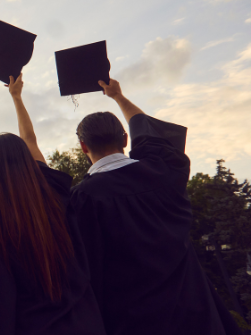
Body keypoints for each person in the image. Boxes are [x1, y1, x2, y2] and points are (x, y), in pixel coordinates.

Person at [71, 79, 242, 335]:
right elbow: (148, 131)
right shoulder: (166, 170)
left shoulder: (83, 199)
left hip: (134, 322)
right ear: (125, 139)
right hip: (197, 315)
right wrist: (118, 96)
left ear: (83, 146)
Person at [0, 74, 105, 335]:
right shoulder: (56, 195)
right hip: (86, 324)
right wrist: (16, 98)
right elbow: (30, 141)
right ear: (27, 163)